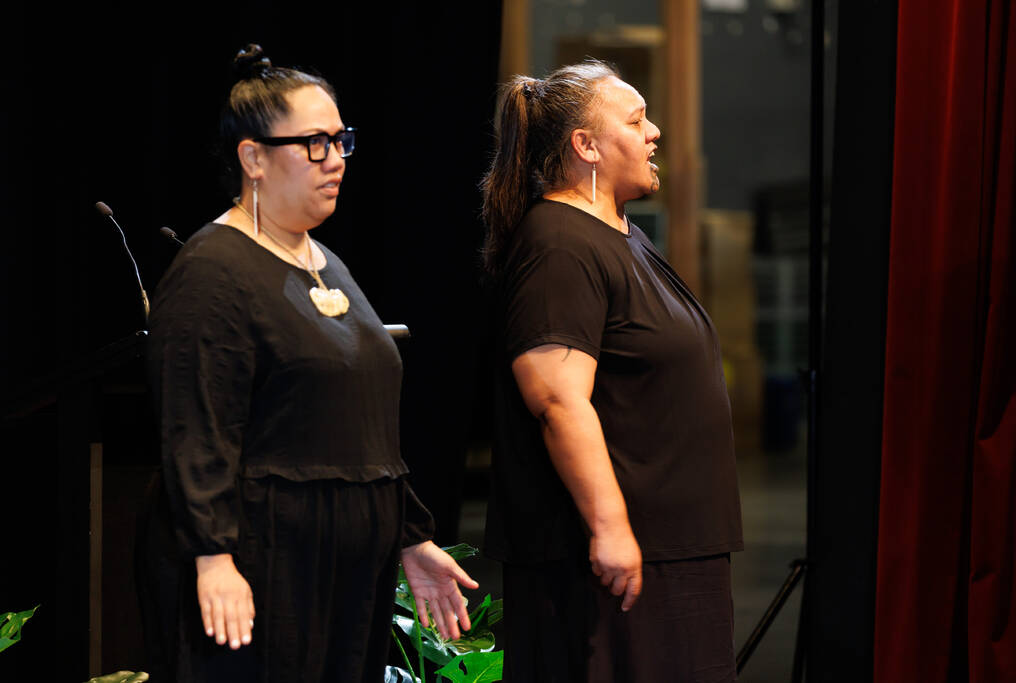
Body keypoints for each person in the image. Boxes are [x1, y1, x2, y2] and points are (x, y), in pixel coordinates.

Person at [146, 44, 477, 682]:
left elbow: (355, 425)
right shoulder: (212, 269)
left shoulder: (326, 261)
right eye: (315, 144)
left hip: (344, 570)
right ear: (253, 158)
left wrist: (410, 536)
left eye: (341, 141)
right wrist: (213, 556)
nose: (336, 160)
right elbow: (196, 429)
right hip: (264, 562)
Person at [481, 60, 744, 682]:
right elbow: (558, 400)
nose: (654, 133)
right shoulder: (559, 243)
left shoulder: (620, 234)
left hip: (672, 547)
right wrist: (611, 527)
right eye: (635, 120)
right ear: (586, 146)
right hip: (613, 560)